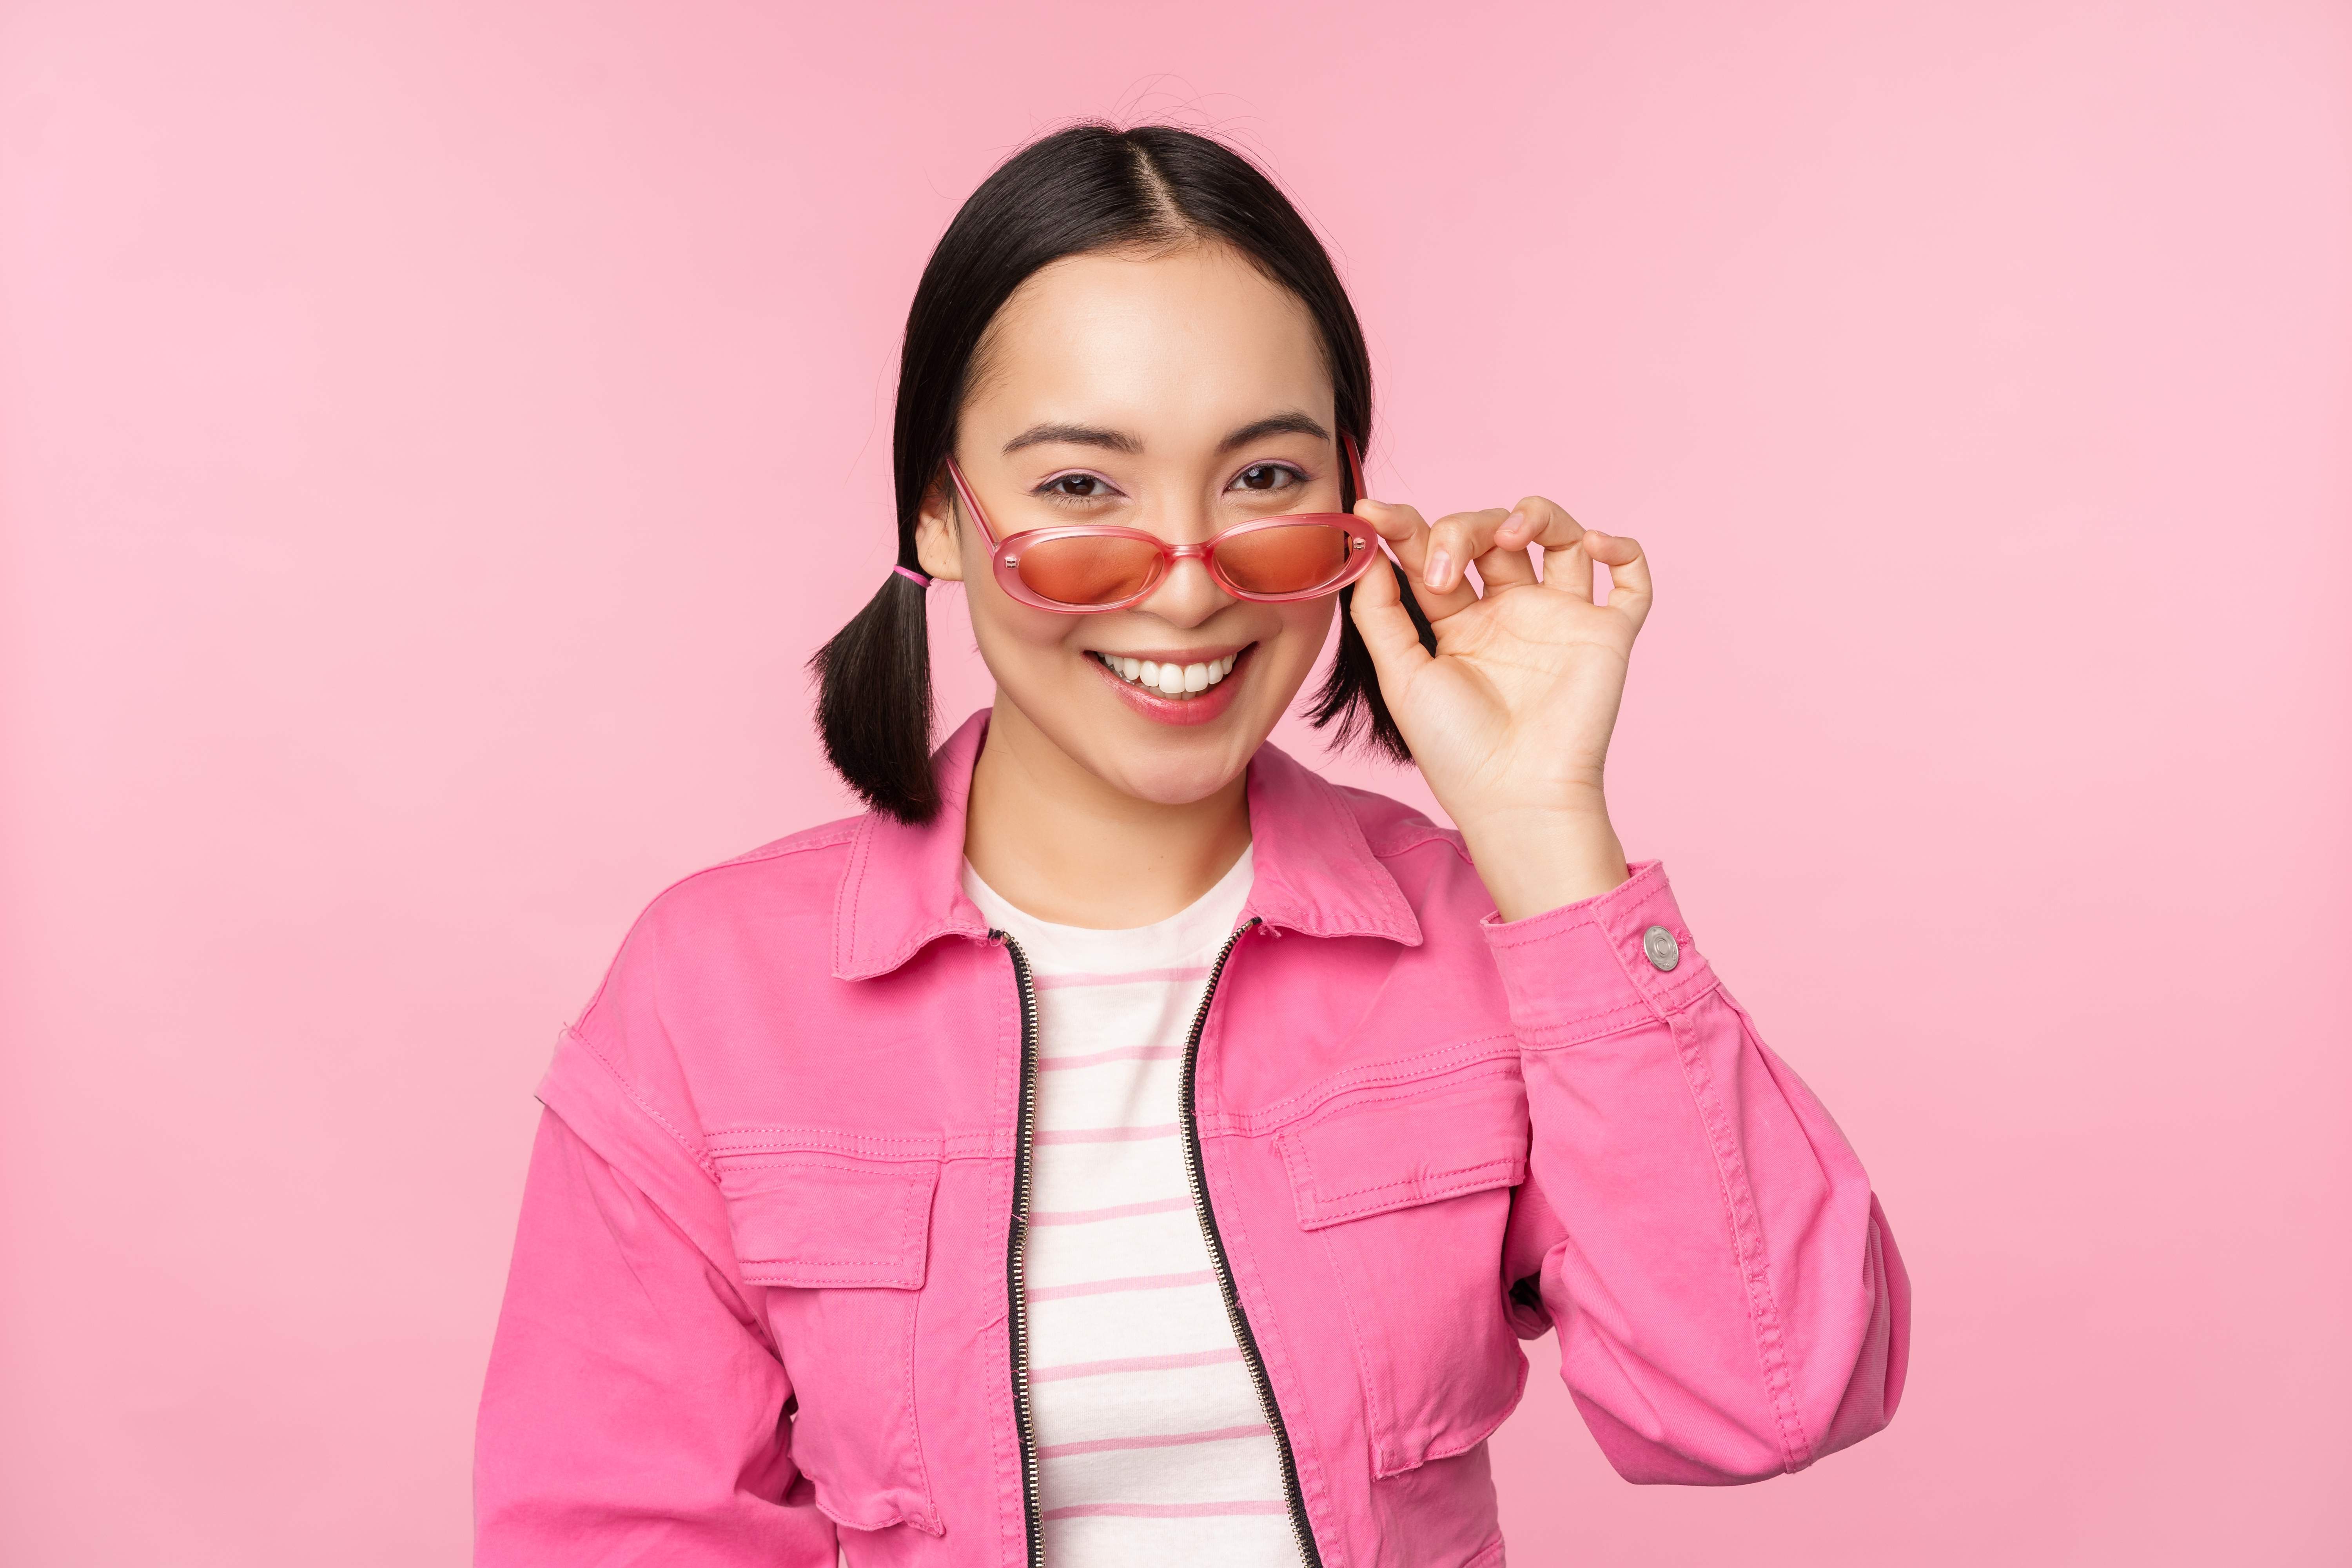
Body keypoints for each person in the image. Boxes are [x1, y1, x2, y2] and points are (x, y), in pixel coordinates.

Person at [473, 123, 1908, 1568]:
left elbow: (1764, 1401)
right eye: (1083, 491)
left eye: (1266, 480)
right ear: (937, 512)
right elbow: (611, 1533)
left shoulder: (1486, 936)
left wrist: (1547, 836)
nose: (1185, 585)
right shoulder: (709, 992)